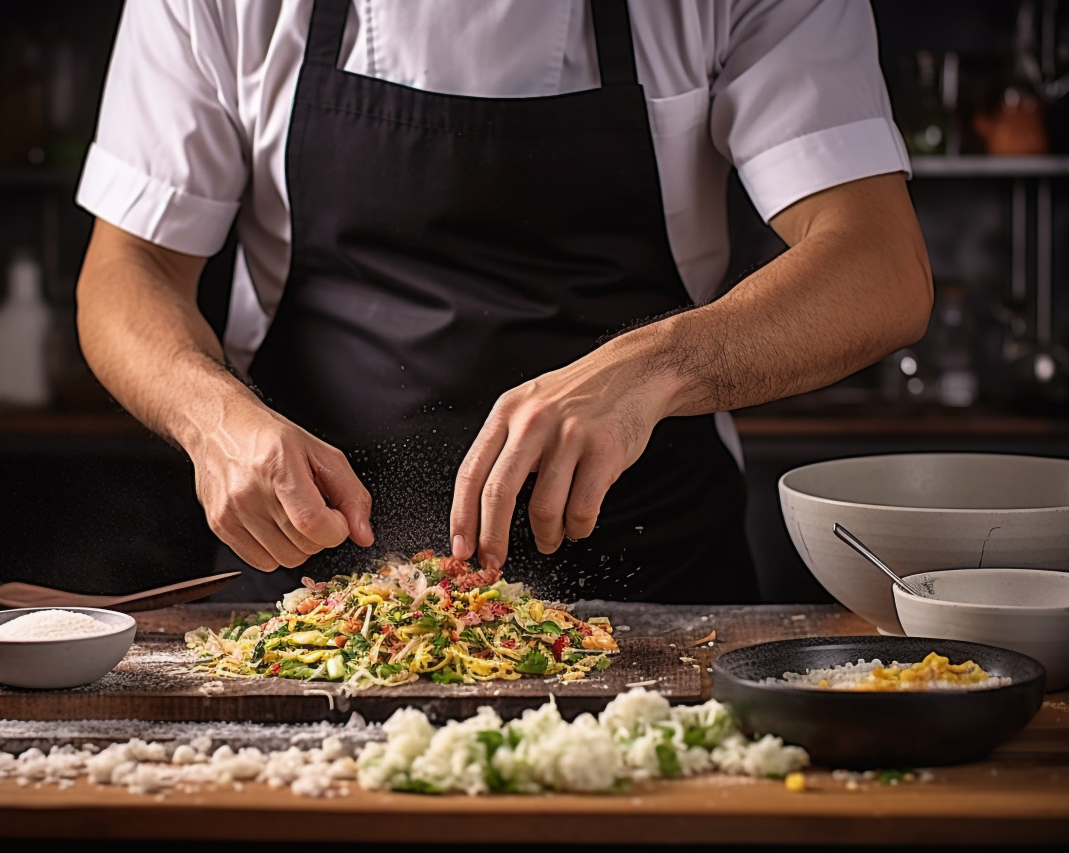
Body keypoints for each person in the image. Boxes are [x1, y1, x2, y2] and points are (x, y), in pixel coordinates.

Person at [74, 0, 933, 604]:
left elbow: (879, 266)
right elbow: (128, 267)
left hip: (659, 591)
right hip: (305, 593)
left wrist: (654, 366)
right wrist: (212, 419)